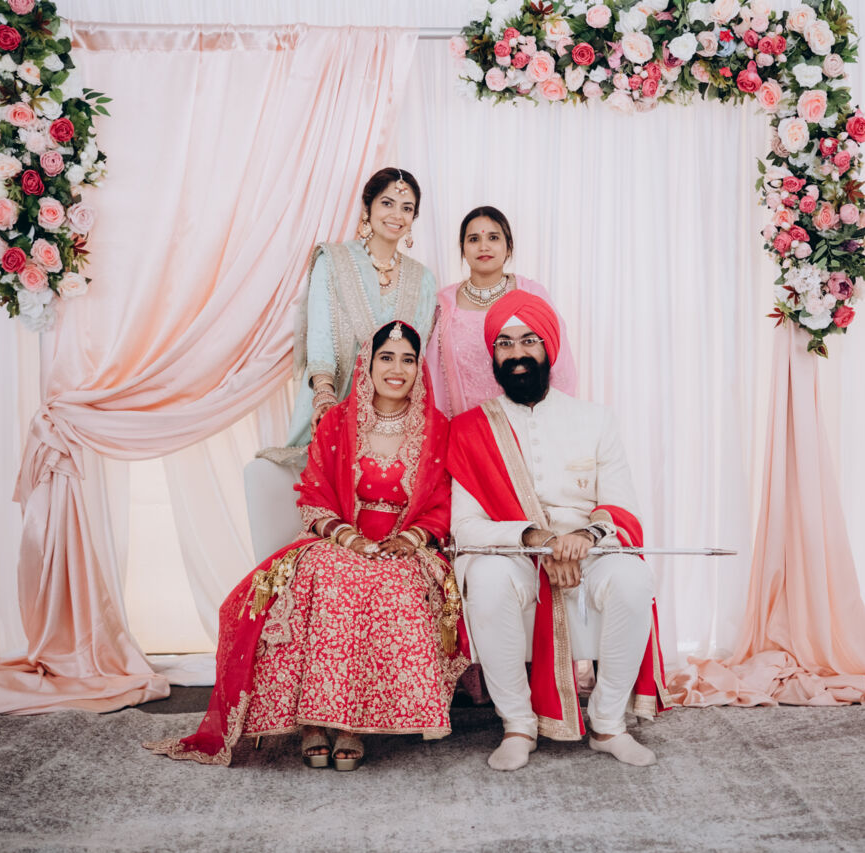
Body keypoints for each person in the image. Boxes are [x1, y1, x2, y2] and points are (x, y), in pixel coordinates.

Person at [148, 323, 468, 769]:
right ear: (368, 364)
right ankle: (313, 722)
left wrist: (409, 538)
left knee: (391, 585)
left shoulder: (438, 428)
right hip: (338, 538)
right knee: (331, 576)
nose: (397, 368)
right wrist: (349, 538)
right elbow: (314, 493)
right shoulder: (338, 421)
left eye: (408, 359)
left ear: (419, 368)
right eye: (386, 357)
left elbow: (444, 502)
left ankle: (352, 725)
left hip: (405, 547)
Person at [446, 291, 671, 771]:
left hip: (589, 553)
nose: (517, 353)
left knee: (634, 579)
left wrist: (583, 539)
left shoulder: (594, 419)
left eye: (529, 340)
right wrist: (538, 540)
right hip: (515, 554)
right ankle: (517, 725)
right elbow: (464, 528)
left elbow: (623, 508)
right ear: (493, 355)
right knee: (485, 578)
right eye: (505, 343)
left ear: (549, 347)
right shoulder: (469, 430)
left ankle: (608, 723)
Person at [261, 168, 437, 468]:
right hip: (334, 400)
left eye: (407, 208)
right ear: (367, 208)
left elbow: (415, 357)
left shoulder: (423, 279)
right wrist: (324, 398)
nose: (397, 215)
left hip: (394, 414)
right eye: (387, 203)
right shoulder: (333, 260)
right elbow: (320, 335)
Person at [426, 206, 577, 418]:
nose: (483, 246)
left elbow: (560, 366)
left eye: (493, 238)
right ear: (463, 249)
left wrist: (551, 423)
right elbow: (432, 375)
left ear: (508, 246)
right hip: (465, 427)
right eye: (474, 239)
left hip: (527, 424)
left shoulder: (531, 294)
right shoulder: (443, 305)